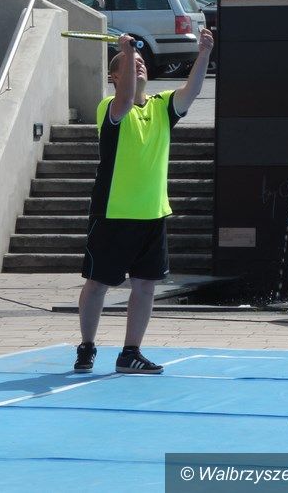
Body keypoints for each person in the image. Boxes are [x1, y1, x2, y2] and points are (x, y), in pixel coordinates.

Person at [74, 28, 214, 374]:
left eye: (141, 62)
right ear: (114, 77)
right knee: (98, 284)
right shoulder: (109, 107)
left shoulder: (162, 106)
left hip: (152, 213)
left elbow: (192, 91)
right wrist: (124, 50)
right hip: (114, 212)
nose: (139, 65)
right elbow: (124, 102)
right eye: (130, 63)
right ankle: (87, 346)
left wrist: (205, 52)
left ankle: (130, 352)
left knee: (145, 286)